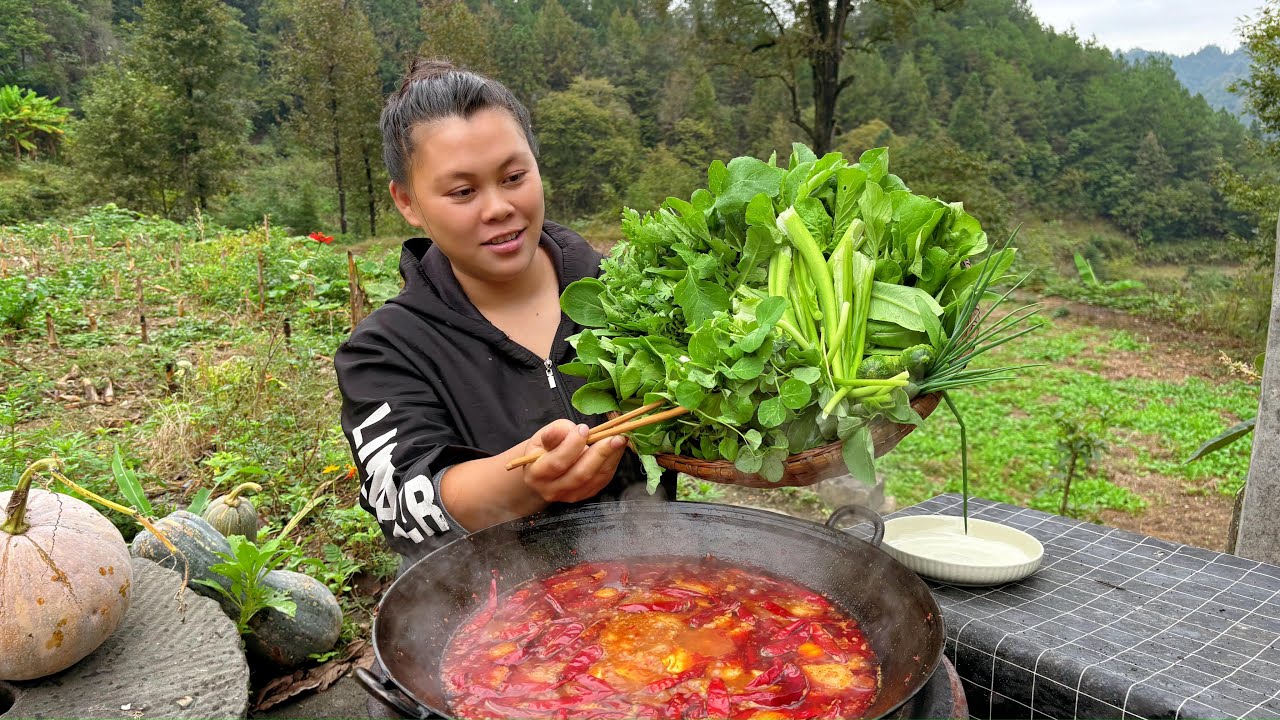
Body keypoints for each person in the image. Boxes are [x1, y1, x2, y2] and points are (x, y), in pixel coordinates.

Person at [335, 58, 672, 570]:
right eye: (463, 191)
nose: (498, 208)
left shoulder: (624, 294)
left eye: (514, 176)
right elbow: (403, 504)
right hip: (493, 619)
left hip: (663, 585)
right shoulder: (384, 350)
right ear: (407, 201)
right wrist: (528, 482)